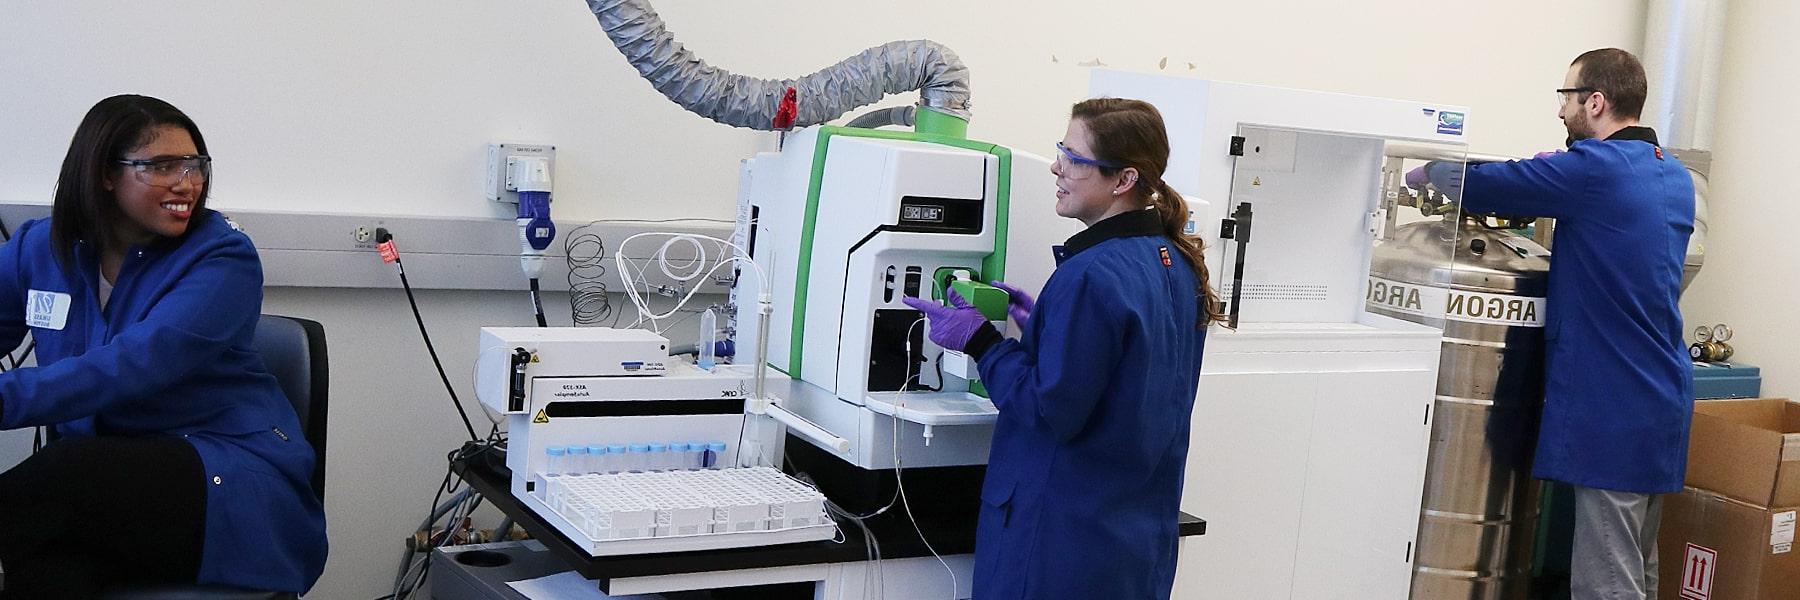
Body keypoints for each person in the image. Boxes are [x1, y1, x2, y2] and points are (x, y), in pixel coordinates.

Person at [0, 95, 327, 597]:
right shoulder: (41, 248)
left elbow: (129, 367)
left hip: (227, 478)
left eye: (195, 165)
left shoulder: (223, 258)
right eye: (162, 166)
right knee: (46, 558)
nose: (187, 183)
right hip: (101, 486)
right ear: (105, 174)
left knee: (48, 488)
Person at [904, 98, 1218, 599]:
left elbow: (1050, 410)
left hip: (1060, 542)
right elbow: (1130, 379)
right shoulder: (1173, 264)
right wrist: (1048, 331)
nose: (1057, 166)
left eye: (1073, 157)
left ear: (1124, 180)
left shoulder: (1090, 275)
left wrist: (980, 340)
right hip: (1131, 542)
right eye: (1059, 150)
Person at [1420, 48, 1694, 600]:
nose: (1561, 112)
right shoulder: (1673, 174)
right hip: (1660, 396)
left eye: (1566, 98)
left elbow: (1494, 184)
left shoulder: (1594, 170)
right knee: (1638, 568)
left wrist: (1433, 169)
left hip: (1613, 401)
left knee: (1606, 583)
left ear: (1595, 101)